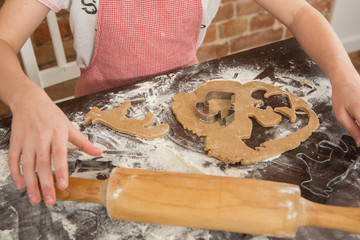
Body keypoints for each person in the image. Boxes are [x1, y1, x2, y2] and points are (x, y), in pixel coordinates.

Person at [0, 0, 359, 207]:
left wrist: (346, 78)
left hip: (190, 111)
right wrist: (25, 95)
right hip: (103, 124)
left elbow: (299, 12)